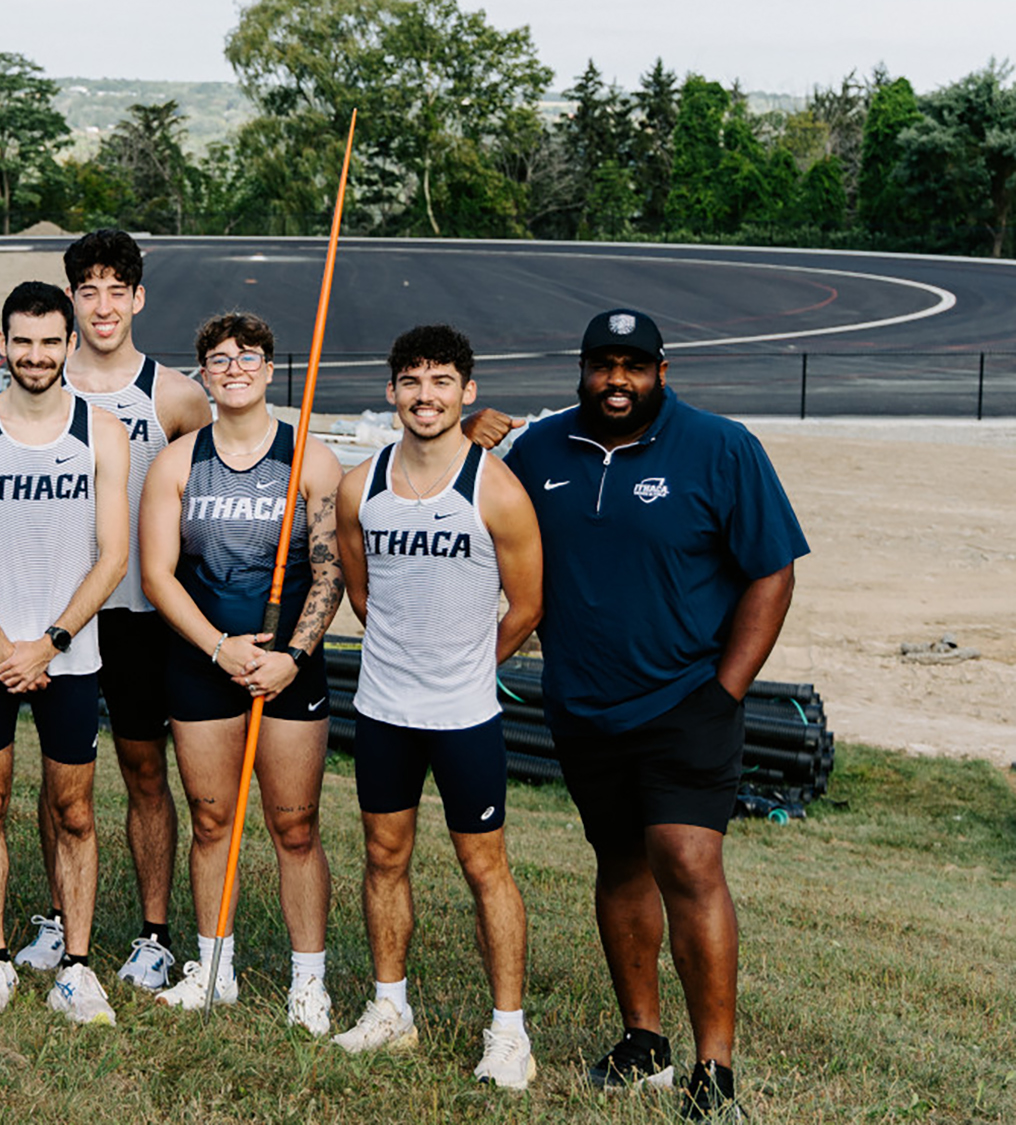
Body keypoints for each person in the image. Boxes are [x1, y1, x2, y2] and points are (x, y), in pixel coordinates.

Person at [498, 308, 807, 1121]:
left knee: (688, 862)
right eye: (603, 364)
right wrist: (467, 428)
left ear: (663, 372)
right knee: (620, 862)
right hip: (583, 701)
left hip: (687, 699)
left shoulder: (721, 447)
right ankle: (644, 1042)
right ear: (583, 368)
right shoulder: (539, 451)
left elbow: (772, 573)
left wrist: (727, 687)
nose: (617, 380)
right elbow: (465, 498)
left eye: (634, 366)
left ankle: (715, 1067)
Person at [330, 325, 544, 1088]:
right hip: (385, 707)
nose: (427, 395)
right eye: (412, 381)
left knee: (485, 867)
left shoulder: (496, 487)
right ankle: (391, 1009)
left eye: (442, 381)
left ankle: (509, 1033)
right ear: (391, 392)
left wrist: (467, 667)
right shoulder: (361, 485)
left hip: (465, 715)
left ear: (468, 391)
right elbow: (362, 592)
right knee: (385, 858)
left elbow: (526, 604)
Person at [17, 229, 212, 991]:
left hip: (134, 614)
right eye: (87, 290)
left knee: (141, 768)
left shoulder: (174, 395)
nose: (102, 305)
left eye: (115, 290)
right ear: (71, 299)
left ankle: (155, 933)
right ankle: (60, 918)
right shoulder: (40, 380)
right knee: (56, 774)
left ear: (138, 297)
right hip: (51, 614)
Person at [140, 312, 344, 1035]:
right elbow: (158, 575)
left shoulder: (310, 459)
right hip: (204, 662)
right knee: (212, 820)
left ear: (267, 367)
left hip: (288, 671)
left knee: (295, 827)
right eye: (218, 358)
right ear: (203, 374)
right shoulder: (177, 462)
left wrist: (290, 657)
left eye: (248, 355)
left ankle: (307, 981)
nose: (234, 367)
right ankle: (214, 968)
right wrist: (219, 646)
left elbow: (330, 569)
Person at [0, 281, 131, 1025]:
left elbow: (112, 557)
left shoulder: (101, 432)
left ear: (70, 344)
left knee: (74, 810)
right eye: (24, 341)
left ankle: (77, 967)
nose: (37, 355)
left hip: (68, 655)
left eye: (51, 341)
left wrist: (48, 642)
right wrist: (2, 648)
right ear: (3, 345)